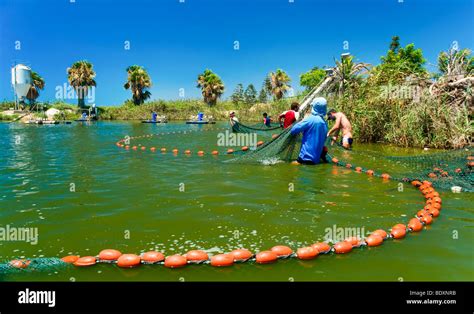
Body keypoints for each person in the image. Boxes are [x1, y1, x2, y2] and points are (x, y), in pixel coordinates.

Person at [290, 97, 328, 164]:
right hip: (316, 160)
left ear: (314, 107)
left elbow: (293, 130)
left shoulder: (310, 119)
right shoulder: (324, 123)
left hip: (304, 158)